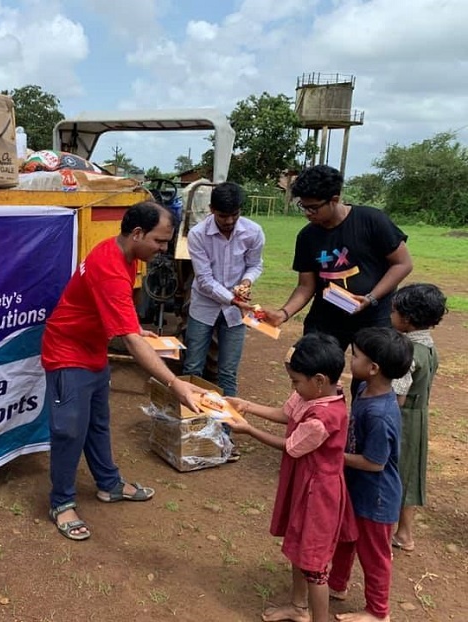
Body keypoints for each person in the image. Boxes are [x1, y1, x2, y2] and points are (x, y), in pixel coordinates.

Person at [40, 201, 205, 541]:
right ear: (137, 233)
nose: (163, 250)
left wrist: (134, 328)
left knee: (98, 423)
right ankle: (61, 502)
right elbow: (129, 341)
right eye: (159, 241)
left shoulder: (126, 256)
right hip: (67, 353)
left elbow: (119, 316)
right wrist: (175, 383)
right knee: (70, 431)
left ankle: (109, 484)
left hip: (93, 350)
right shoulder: (110, 267)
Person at [226, 333, 353, 622]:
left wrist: (249, 430)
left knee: (315, 564)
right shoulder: (318, 394)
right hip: (304, 484)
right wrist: (245, 405)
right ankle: (298, 607)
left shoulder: (323, 419)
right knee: (300, 547)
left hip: (318, 493)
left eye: (296, 381)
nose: (293, 386)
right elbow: (286, 414)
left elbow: (291, 445)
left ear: (319, 380)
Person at [265, 165, 413, 397]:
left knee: (368, 382)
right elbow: (306, 286)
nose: (308, 213)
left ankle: (359, 429)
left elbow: (402, 263)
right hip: (326, 319)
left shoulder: (371, 221)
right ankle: (317, 426)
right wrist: (283, 314)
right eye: (303, 206)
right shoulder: (307, 237)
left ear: (334, 199)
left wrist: (370, 297)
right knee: (310, 372)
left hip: (371, 318)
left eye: (313, 208)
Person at [328, 327, 413, 622]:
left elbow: (375, 462)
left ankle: (378, 612)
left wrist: (334, 456)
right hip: (357, 489)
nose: (351, 360)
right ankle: (336, 585)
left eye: (356, 356)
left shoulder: (380, 414)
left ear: (373, 368)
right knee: (345, 538)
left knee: (374, 555)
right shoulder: (365, 391)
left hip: (376, 498)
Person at [182, 181, 264, 398]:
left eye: (234, 215)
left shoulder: (253, 232)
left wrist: (246, 281)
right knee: (192, 368)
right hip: (204, 307)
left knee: (227, 372)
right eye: (222, 216)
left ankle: (226, 429)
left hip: (235, 314)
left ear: (240, 210)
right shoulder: (198, 234)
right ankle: (191, 423)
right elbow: (204, 280)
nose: (228, 221)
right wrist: (234, 300)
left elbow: (255, 264)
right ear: (211, 210)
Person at [389, 283, 447, 553]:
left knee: (394, 472)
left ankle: (391, 530)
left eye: (394, 312)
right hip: (419, 417)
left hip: (402, 419)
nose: (391, 316)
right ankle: (404, 533)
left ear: (407, 319)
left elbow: (397, 395)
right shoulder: (429, 348)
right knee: (410, 473)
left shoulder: (408, 353)